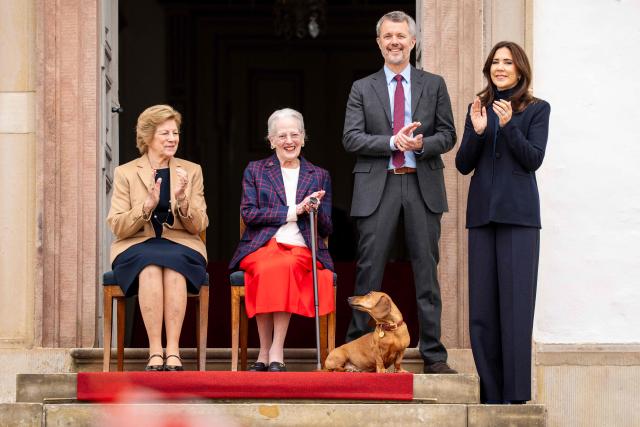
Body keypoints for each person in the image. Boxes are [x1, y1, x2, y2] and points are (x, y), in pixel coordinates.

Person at [343, 11, 457, 374]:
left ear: (413, 42)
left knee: (427, 273)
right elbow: (351, 137)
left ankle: (434, 356)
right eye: (388, 36)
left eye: (401, 36)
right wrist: (393, 141)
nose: (394, 41)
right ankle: (357, 357)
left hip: (421, 183)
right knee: (368, 273)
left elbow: (449, 134)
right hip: (380, 184)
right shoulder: (362, 87)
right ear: (379, 43)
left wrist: (422, 144)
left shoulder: (434, 84)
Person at [455, 41, 550, 403]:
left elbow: (533, 160)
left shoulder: (537, 109)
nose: (500, 67)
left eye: (508, 62)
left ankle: (515, 396)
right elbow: (464, 164)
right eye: (495, 62)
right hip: (482, 216)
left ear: (520, 69)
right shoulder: (477, 107)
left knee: (515, 306)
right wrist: (478, 131)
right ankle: (490, 393)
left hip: (519, 218)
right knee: (482, 309)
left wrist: (509, 127)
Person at [229, 108, 334, 372]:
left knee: (281, 267)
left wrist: (314, 209)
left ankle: (275, 349)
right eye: (282, 135)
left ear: (303, 137)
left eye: (294, 134)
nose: (289, 141)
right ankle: (266, 351)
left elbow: (327, 227)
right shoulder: (255, 171)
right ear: (271, 140)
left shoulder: (318, 174)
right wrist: (293, 211)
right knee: (267, 267)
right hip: (262, 245)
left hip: (301, 248)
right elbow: (249, 214)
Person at [107, 105, 208, 371]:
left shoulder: (191, 170)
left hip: (182, 244)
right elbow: (117, 225)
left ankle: (172, 350)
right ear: (148, 136)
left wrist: (184, 200)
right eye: (165, 133)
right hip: (136, 245)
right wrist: (146, 206)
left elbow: (200, 224)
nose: (172, 139)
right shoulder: (125, 173)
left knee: (174, 267)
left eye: (175, 133)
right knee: (150, 266)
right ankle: (155, 350)